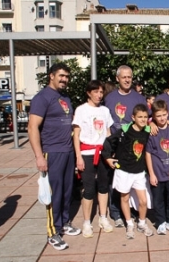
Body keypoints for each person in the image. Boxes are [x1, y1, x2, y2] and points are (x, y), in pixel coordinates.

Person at [28, 63, 80, 251]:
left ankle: (65, 222)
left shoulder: (65, 97)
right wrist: (39, 157)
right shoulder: (42, 98)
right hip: (52, 152)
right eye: (61, 75)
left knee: (67, 190)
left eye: (67, 76)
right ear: (51, 76)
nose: (64, 79)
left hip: (68, 152)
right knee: (54, 194)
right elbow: (32, 127)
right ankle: (53, 232)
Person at [102, 104, 154, 239]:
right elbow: (108, 142)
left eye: (145, 117)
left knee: (143, 201)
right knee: (124, 198)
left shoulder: (148, 130)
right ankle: (129, 224)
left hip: (139, 172)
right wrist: (107, 158)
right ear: (133, 117)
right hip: (123, 171)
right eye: (140, 117)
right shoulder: (124, 131)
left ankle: (142, 223)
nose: (143, 119)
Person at [104, 65, 147, 228]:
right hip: (117, 145)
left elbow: (146, 121)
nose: (127, 79)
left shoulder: (139, 98)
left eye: (129, 77)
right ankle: (115, 213)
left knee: (135, 183)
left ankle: (134, 212)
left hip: (135, 148)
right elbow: (107, 122)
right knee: (115, 183)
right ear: (117, 79)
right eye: (124, 77)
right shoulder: (109, 98)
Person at [72, 80, 114, 238]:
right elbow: (76, 135)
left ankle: (103, 217)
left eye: (101, 92)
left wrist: (109, 154)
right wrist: (78, 157)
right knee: (89, 189)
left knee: (103, 187)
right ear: (89, 93)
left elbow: (108, 133)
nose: (99, 95)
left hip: (103, 153)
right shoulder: (81, 110)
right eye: (96, 92)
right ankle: (86, 221)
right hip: (87, 153)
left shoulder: (105, 110)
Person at [146, 99, 169, 235]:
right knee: (158, 198)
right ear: (153, 116)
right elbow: (148, 154)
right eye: (158, 115)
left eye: (164, 114)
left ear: (167, 113)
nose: (162, 118)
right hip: (157, 172)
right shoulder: (151, 132)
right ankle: (160, 221)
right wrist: (152, 174)